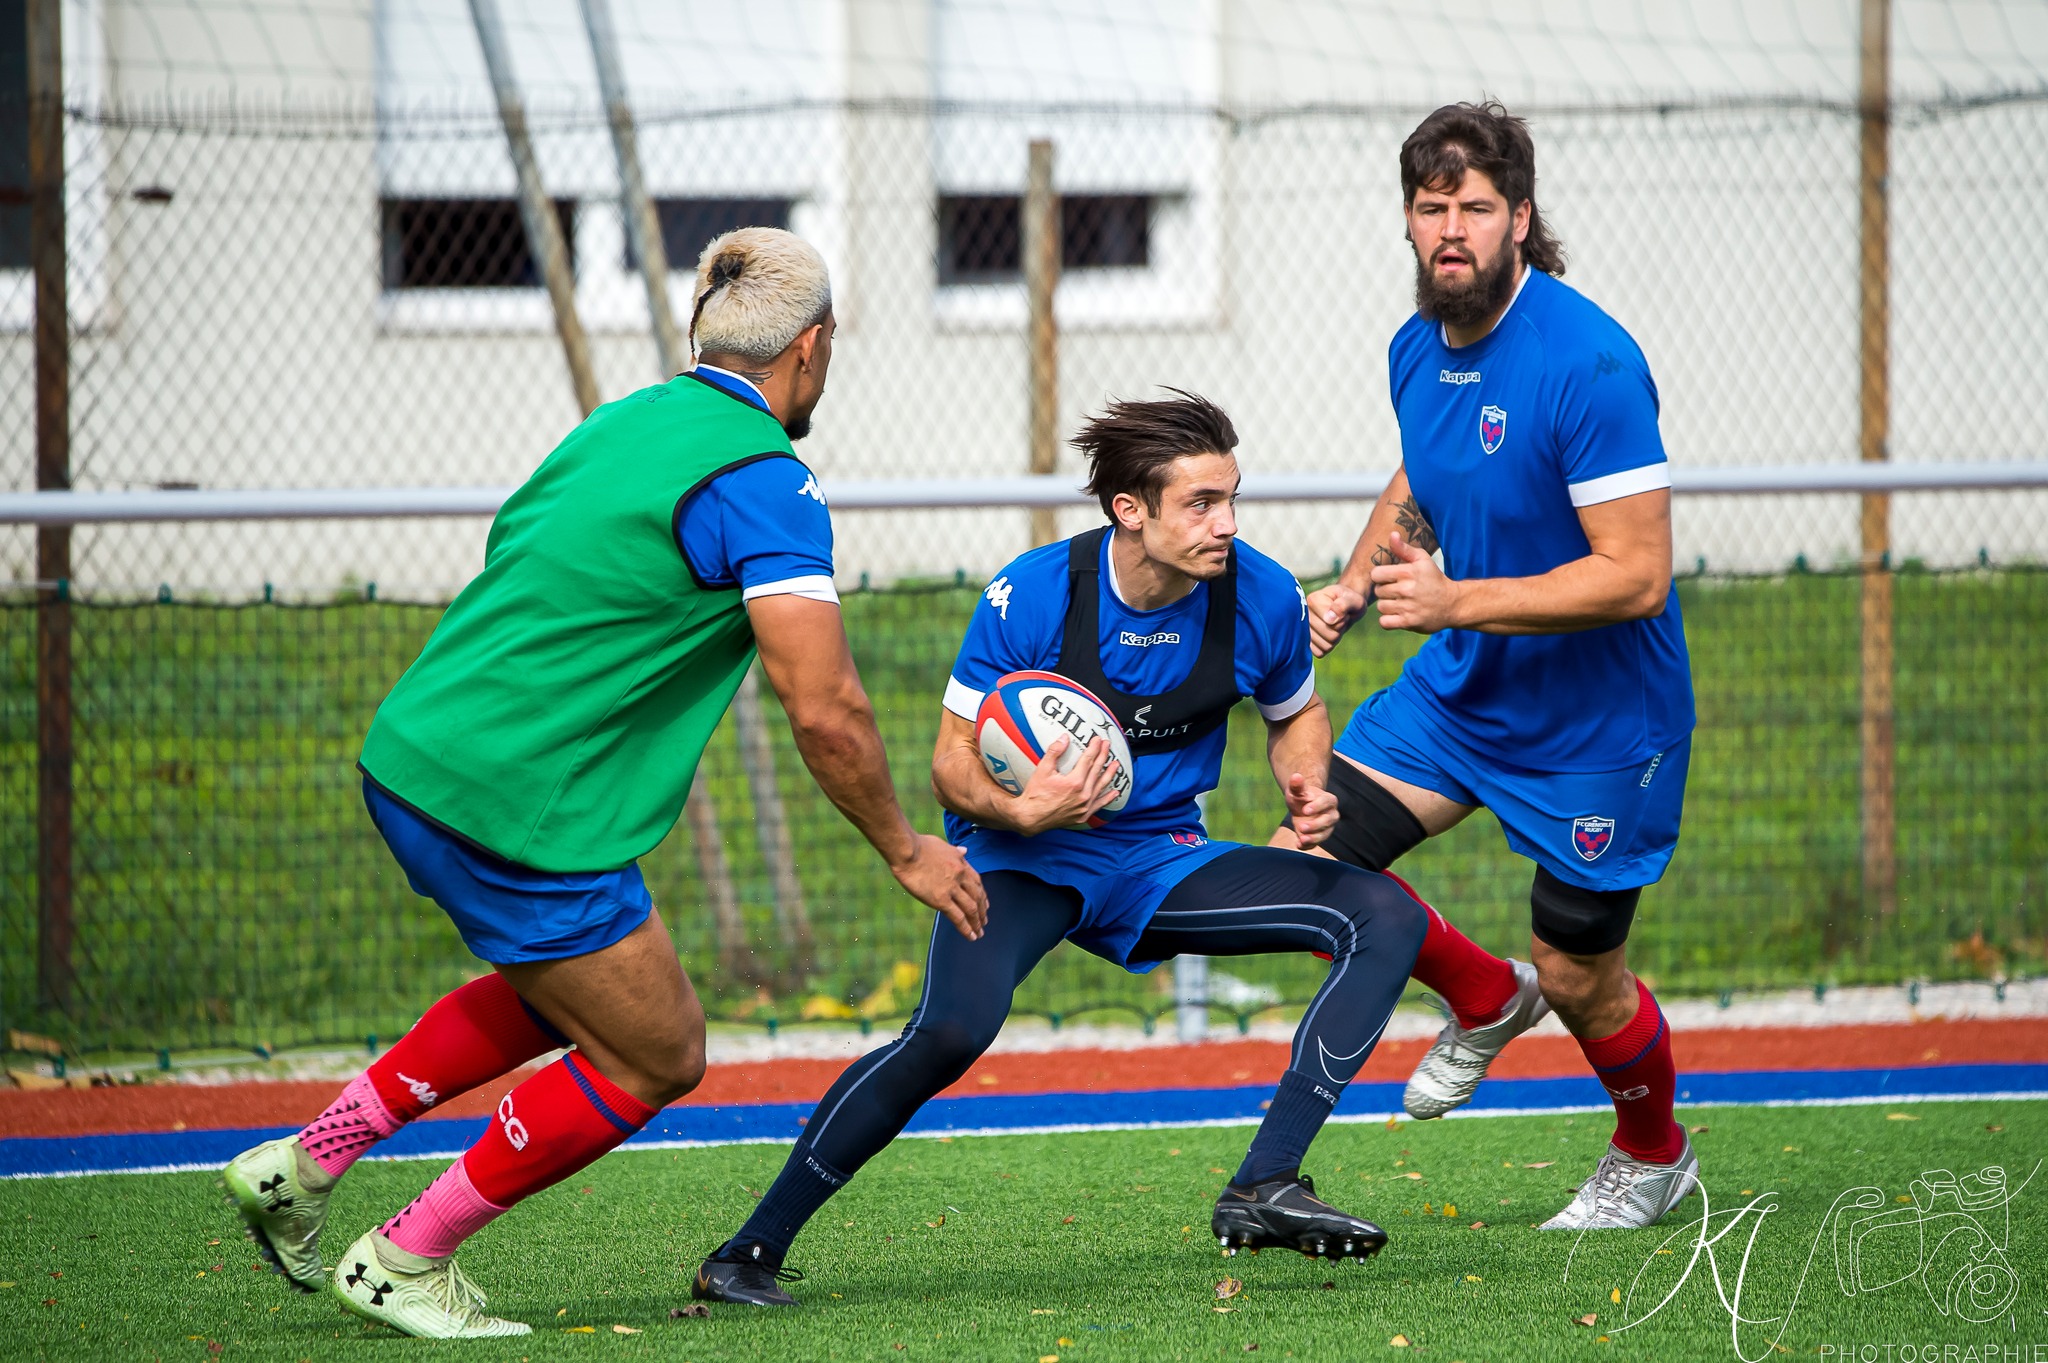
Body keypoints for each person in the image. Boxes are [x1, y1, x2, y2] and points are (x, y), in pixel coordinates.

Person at [221, 228, 986, 1337]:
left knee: (559, 988)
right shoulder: (765, 481)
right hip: (523, 811)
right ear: (812, 348)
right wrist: (906, 847)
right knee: (656, 1048)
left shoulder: (620, 422)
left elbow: (523, 551)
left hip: (412, 759)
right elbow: (824, 704)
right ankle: (404, 1256)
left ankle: (304, 1166)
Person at [688, 392, 1427, 1308]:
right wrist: (1021, 809)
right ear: (1132, 509)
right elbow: (949, 767)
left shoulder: (1263, 595)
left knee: (1386, 914)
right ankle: (747, 1252)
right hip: (1021, 859)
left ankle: (1265, 1182)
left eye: (1232, 498)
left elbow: (1298, 712)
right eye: (1200, 503)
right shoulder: (1034, 592)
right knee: (950, 1033)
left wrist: (1306, 779)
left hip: (1160, 858)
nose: (1226, 524)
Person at [1272, 102, 1699, 1230]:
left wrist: (1455, 598)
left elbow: (1637, 575)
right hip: (1467, 696)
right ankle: (1475, 988)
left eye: (1472, 207)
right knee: (1305, 853)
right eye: (1429, 207)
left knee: (1576, 976)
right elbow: (1414, 479)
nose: (1449, 228)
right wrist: (1356, 584)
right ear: (1407, 222)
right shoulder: (1413, 348)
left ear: (1517, 217)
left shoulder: (1591, 363)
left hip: (1601, 724)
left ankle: (1651, 1153)